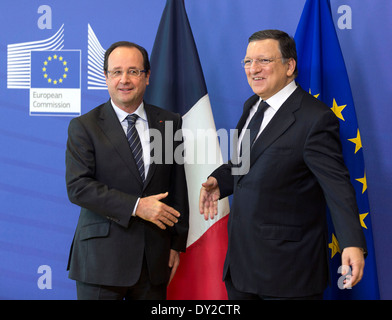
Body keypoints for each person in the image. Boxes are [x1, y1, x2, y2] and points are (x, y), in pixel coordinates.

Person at [199, 30, 366, 300]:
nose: (253, 69)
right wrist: (220, 180)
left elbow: (337, 187)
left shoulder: (315, 118)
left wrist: (352, 243)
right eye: (247, 62)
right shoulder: (251, 105)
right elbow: (246, 162)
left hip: (289, 273)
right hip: (241, 269)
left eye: (264, 61)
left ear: (289, 66)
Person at [66, 41, 189, 300]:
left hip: (154, 260)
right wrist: (136, 206)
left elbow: (177, 186)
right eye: (116, 72)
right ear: (106, 77)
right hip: (100, 260)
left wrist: (176, 244)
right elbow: (79, 187)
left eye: (133, 71)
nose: (124, 79)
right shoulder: (84, 126)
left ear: (147, 77)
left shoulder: (169, 122)